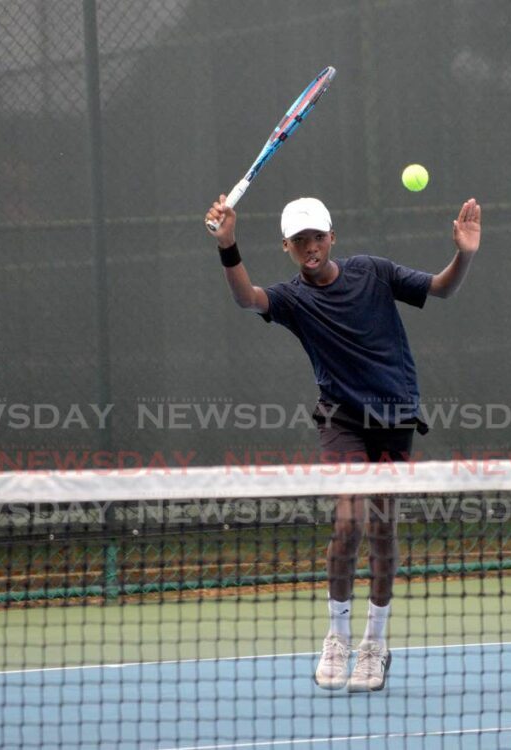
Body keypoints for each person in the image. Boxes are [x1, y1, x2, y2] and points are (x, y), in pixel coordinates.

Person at [205, 193, 481, 692]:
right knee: (349, 518)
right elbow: (247, 298)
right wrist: (228, 245)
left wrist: (464, 253)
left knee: (381, 526)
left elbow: (442, 289)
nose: (310, 247)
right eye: (300, 241)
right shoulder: (293, 299)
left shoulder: (373, 272)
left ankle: (374, 644)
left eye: (317, 237)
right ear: (286, 246)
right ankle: (337, 635)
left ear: (332, 237)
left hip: (395, 414)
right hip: (341, 418)